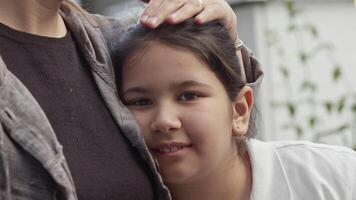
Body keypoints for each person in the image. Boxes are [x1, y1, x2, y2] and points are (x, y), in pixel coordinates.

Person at [0, 0, 248, 199]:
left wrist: (224, 34)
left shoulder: (108, 39)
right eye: (142, 102)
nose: (165, 121)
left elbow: (227, 126)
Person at [114, 20, 356, 200]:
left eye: (189, 96)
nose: (165, 121)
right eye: (141, 101)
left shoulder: (335, 178)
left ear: (240, 111)